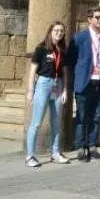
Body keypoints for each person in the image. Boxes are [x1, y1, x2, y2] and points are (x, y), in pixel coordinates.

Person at [24, 21, 70, 167]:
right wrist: (31, 90)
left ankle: (55, 153)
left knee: (56, 122)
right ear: (50, 32)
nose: (59, 33)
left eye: (61, 31)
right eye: (56, 30)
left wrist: (65, 90)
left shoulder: (63, 49)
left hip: (58, 84)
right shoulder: (41, 48)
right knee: (36, 122)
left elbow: (64, 71)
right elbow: (32, 71)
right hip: (44, 84)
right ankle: (30, 156)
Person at [68, 7, 100, 162]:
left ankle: (92, 146)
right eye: (97, 17)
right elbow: (71, 61)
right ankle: (81, 147)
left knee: (97, 116)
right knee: (82, 116)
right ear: (89, 19)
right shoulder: (79, 38)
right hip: (85, 83)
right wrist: (75, 80)